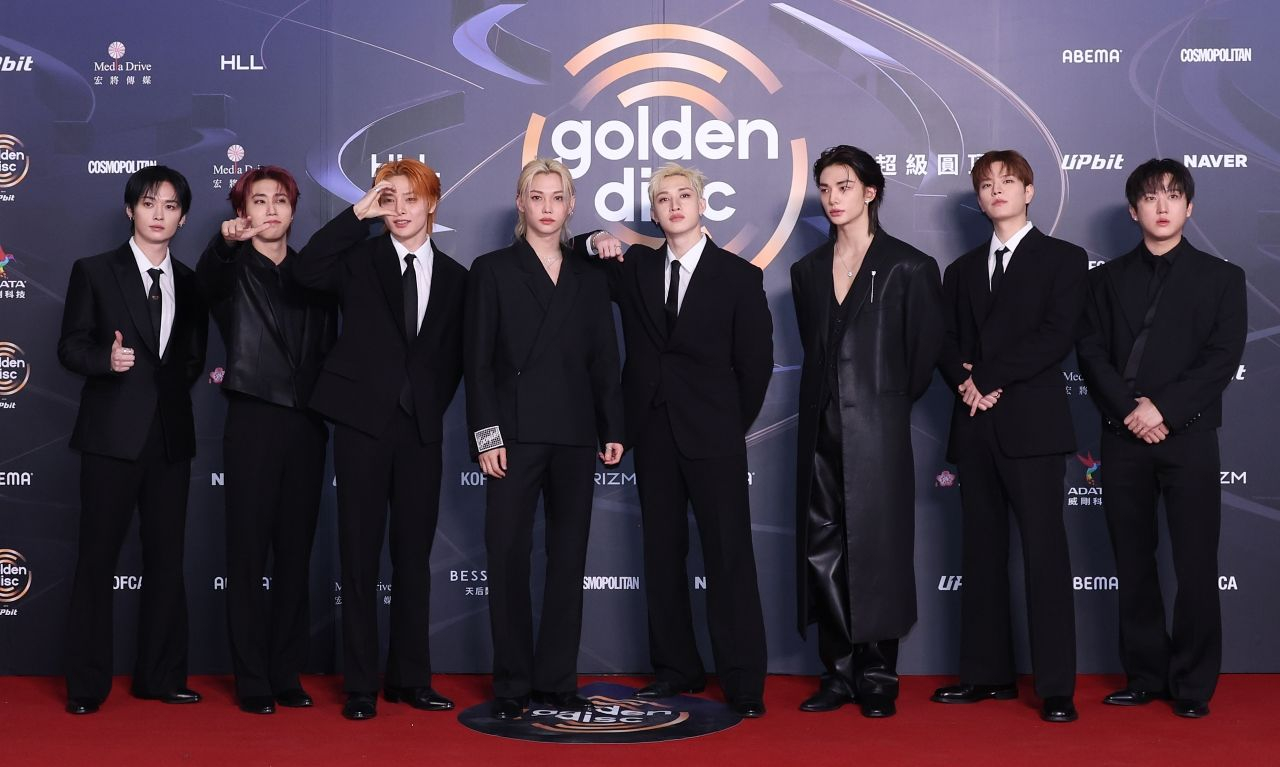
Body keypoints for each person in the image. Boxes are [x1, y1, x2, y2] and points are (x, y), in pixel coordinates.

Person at [585, 163, 773, 717]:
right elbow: (568, 253)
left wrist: (725, 424)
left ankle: (743, 681)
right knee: (662, 554)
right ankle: (675, 668)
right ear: (654, 209)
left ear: (703, 203)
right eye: (663, 198)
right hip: (653, 431)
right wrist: (594, 237)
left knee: (729, 556)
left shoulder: (738, 276)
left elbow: (756, 366)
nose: (673, 205)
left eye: (683, 195)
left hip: (713, 434)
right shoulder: (635, 266)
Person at [292, 159, 466, 720]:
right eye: (388, 200)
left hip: (420, 430)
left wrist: (430, 402)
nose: (399, 211)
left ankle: (411, 679)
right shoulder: (357, 258)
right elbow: (305, 271)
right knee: (359, 556)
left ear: (432, 205)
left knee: (413, 557)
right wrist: (356, 213)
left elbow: (460, 358)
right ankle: (362, 684)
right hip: (361, 425)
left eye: (409, 200)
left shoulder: (460, 278)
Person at [1076, 158, 1246, 718]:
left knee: (1197, 564)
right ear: (1133, 210)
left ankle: (1194, 685)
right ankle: (1145, 675)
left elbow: (1221, 358)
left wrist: (1163, 409)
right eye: (1151, 197)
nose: (1163, 205)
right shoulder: (1103, 280)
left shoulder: (1223, 278)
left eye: (1174, 195)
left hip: (1190, 437)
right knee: (1134, 562)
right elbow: (1091, 353)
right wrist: (1131, 412)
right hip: (1123, 439)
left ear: (1190, 206)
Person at [464, 158, 624, 719]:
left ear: (571, 205)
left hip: (577, 434)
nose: (548, 206)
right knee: (507, 555)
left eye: (558, 197)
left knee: (567, 557)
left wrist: (612, 428)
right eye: (538, 196)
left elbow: (606, 358)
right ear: (521, 202)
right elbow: (477, 364)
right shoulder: (492, 270)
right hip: (513, 435)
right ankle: (511, 683)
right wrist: (487, 436)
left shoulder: (591, 274)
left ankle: (557, 678)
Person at [932, 149, 1086, 723]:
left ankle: (1055, 688)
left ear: (1030, 191)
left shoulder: (1063, 260)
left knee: (1045, 556)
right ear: (977, 197)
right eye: (986, 183)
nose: (997, 190)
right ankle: (984, 675)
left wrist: (988, 379)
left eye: (1008, 181)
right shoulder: (963, 269)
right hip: (975, 427)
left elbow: (1057, 335)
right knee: (981, 554)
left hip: (1034, 428)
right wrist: (966, 384)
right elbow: (943, 342)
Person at [790, 146, 944, 718]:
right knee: (821, 548)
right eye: (826, 188)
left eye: (845, 187)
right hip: (817, 431)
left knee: (878, 549)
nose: (834, 198)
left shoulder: (909, 266)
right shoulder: (805, 273)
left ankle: (878, 674)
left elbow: (922, 359)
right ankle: (837, 672)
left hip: (878, 429)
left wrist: (877, 403)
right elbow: (815, 347)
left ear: (870, 192)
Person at [58, 166, 208, 715]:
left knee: (167, 560)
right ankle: (86, 686)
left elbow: (192, 357)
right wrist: (107, 360)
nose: (159, 214)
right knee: (96, 560)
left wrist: (161, 396)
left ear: (183, 217)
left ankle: (162, 677)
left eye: (170, 206)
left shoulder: (191, 282)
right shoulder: (94, 272)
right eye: (149, 203)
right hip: (109, 438)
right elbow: (70, 346)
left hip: (170, 439)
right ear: (130, 210)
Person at [196, 166, 337, 715]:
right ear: (242, 212)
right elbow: (206, 279)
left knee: (295, 556)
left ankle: (285, 672)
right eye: (259, 201)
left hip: (306, 426)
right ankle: (251, 677)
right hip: (252, 419)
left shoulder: (314, 273)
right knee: (247, 552)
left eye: (281, 200)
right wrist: (224, 246)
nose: (271, 210)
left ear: (294, 211)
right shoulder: (231, 269)